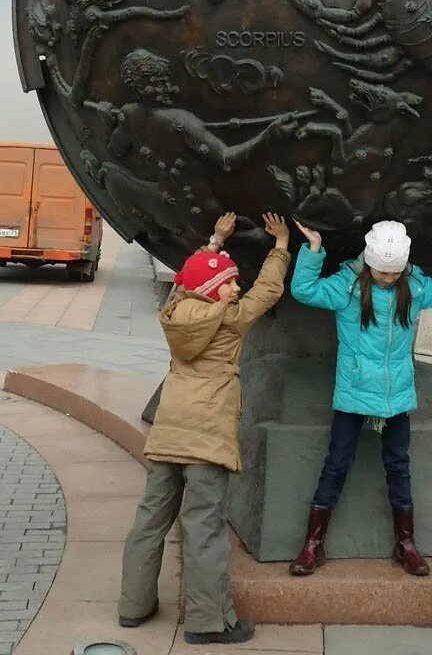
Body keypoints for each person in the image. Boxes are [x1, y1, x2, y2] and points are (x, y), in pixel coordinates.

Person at [118, 211, 291, 646]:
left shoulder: (175, 309)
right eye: (230, 282)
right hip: (206, 439)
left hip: (168, 434)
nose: (236, 286)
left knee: (149, 521)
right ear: (215, 293)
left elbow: (186, 278)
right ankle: (208, 623)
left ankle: (133, 607)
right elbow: (267, 291)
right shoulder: (230, 318)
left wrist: (215, 240)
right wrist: (282, 246)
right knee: (204, 529)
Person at [288, 218, 432, 577]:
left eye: (393, 272)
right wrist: (314, 251)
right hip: (353, 393)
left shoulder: (412, 286)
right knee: (335, 465)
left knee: (399, 467)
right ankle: (312, 544)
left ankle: (406, 542)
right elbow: (304, 290)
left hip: (396, 396)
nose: (387, 278)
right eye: (382, 272)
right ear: (368, 262)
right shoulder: (348, 287)